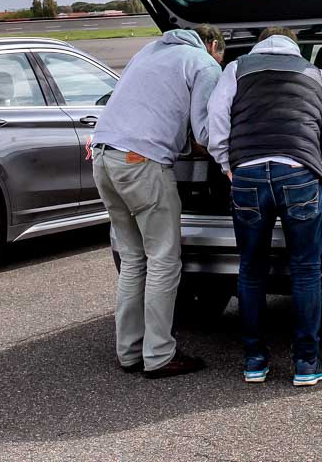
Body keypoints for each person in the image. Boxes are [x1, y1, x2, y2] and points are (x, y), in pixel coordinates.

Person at [206, 27, 322, 387]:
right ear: (293, 45)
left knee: (251, 269)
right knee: (305, 270)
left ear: (260, 42)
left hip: (248, 175)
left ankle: (254, 361)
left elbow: (216, 120)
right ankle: (306, 362)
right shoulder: (313, 73)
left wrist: (227, 164)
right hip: (299, 172)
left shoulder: (235, 69)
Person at [91, 25, 225, 379]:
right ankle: (160, 354)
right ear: (213, 46)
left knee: (134, 258)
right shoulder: (203, 63)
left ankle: (130, 351)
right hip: (140, 162)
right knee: (163, 258)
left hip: (103, 156)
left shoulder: (147, 52)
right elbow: (207, 131)